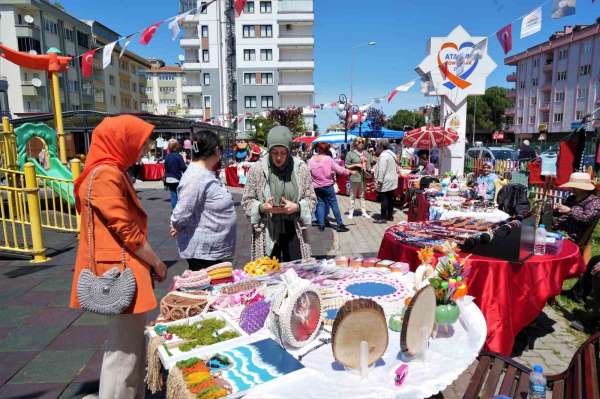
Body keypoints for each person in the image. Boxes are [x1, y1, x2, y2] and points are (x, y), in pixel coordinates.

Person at [69, 115, 167, 399]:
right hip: (121, 273)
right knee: (125, 352)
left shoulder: (103, 172)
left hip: (117, 270)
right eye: (138, 144)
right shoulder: (107, 174)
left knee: (127, 347)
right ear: (120, 141)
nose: (142, 151)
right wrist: (157, 262)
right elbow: (127, 231)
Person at [242, 126, 316, 262]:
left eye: (283, 152)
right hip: (266, 232)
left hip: (294, 229)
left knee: (297, 274)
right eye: (274, 152)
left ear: (289, 151)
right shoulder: (257, 169)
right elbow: (247, 201)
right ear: (269, 150)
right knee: (267, 277)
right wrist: (261, 207)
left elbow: (311, 199)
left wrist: (298, 207)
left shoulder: (300, 168)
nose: (278, 157)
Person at [170, 130, 236, 271]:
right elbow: (182, 212)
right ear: (217, 150)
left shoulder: (203, 173)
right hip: (204, 254)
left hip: (211, 251)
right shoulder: (196, 176)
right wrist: (177, 225)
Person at [308, 142, 355, 232]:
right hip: (327, 186)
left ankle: (321, 224)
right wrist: (349, 172)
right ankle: (340, 224)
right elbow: (339, 169)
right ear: (326, 150)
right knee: (334, 204)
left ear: (318, 149)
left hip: (316, 186)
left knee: (320, 204)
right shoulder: (328, 159)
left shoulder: (311, 160)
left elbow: (308, 173)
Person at [553, 172, 600, 242]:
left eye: (575, 187)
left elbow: (587, 219)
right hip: (559, 230)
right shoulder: (571, 198)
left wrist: (570, 211)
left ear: (583, 188)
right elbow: (561, 213)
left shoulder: (594, 201)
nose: (572, 188)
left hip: (572, 236)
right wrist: (557, 209)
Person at [345, 137, 373, 219]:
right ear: (355, 143)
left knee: (363, 195)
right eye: (359, 142)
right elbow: (346, 165)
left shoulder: (366, 153)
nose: (361, 143)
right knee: (353, 195)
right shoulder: (350, 153)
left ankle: (363, 211)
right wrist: (356, 165)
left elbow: (369, 164)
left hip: (363, 177)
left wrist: (369, 168)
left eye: (362, 142)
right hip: (354, 177)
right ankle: (351, 212)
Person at [373, 139, 399, 223]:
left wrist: (379, 181)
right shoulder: (392, 154)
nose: (377, 148)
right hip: (392, 179)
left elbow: (382, 169)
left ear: (381, 146)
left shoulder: (384, 156)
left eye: (378, 146)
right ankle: (390, 216)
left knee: (384, 199)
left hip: (386, 180)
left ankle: (383, 217)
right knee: (390, 198)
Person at [164, 140, 187, 208]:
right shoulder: (178, 156)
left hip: (168, 178)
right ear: (176, 147)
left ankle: (174, 210)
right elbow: (183, 167)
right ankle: (178, 211)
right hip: (176, 178)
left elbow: (165, 167)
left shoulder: (167, 157)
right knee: (180, 195)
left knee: (173, 195)